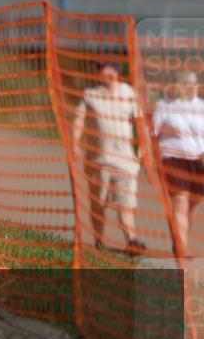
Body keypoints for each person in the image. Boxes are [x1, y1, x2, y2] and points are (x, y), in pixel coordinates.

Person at [71, 62, 147, 255]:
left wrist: (144, 147)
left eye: (109, 69)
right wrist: (74, 142)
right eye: (101, 70)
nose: (105, 73)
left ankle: (132, 242)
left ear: (116, 72)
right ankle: (99, 241)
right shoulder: (91, 95)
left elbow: (141, 123)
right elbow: (79, 119)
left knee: (125, 206)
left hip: (126, 163)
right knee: (99, 205)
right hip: (98, 162)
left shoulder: (129, 94)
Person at [153, 70, 204, 256]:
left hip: (198, 162)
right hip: (173, 159)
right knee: (181, 203)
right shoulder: (164, 106)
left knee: (191, 206)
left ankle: (178, 239)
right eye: (187, 82)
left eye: (194, 83)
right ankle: (181, 248)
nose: (191, 86)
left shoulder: (201, 106)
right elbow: (152, 133)